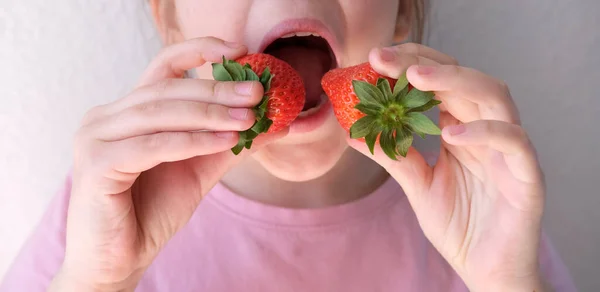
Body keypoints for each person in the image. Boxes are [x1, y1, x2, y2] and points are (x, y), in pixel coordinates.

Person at [0, 0, 577, 291]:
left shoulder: (479, 206)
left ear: (402, 9)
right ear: (168, 18)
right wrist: (99, 282)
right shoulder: (104, 211)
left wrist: (505, 283)